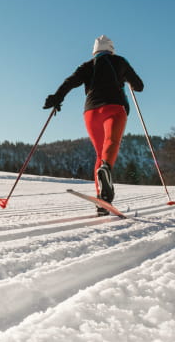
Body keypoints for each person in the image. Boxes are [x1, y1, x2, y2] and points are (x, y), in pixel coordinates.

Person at [44, 35, 144, 213]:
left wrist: (56, 97)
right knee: (111, 143)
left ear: (94, 51)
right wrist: (130, 82)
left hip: (91, 112)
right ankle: (106, 171)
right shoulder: (120, 61)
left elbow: (69, 82)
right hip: (114, 108)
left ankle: (101, 198)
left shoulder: (87, 65)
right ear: (111, 49)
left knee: (99, 152)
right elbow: (139, 85)